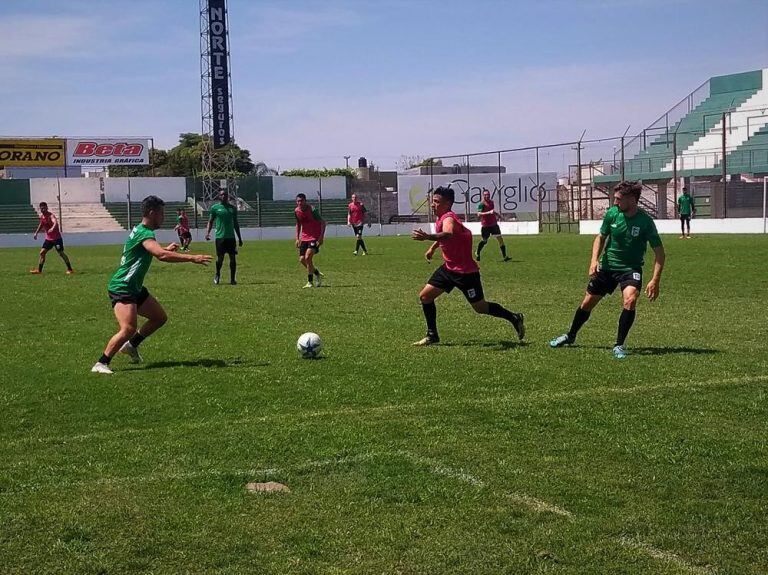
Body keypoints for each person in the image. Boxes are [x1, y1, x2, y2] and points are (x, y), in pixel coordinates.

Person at [91, 196, 211, 374]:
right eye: (161, 213)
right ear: (152, 213)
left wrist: (164, 249)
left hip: (134, 287)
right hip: (123, 287)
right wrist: (192, 258)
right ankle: (101, 363)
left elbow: (152, 250)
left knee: (159, 318)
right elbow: (160, 256)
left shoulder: (142, 231)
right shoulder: (144, 233)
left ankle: (131, 346)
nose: (163, 217)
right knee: (128, 328)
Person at [549, 181, 665, 359]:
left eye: (619, 199)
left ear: (632, 199)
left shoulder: (645, 222)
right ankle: (570, 335)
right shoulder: (612, 214)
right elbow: (600, 237)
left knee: (630, 300)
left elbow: (659, 253)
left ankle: (619, 345)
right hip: (608, 267)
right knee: (587, 303)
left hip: (630, 269)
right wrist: (594, 260)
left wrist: (654, 280)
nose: (615, 202)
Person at [411, 186, 525, 346]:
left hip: (465, 273)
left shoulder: (449, 218)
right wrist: (432, 248)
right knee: (425, 296)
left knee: (480, 307)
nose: (432, 204)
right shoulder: (441, 218)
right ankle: (432, 335)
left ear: (448, 203)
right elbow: (447, 237)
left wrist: (428, 237)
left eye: (437, 202)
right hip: (448, 269)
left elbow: (449, 233)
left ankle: (514, 317)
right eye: (433, 201)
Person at [205, 190, 242, 285]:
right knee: (220, 259)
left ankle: (233, 279)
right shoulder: (215, 208)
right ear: (219, 196)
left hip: (231, 237)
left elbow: (236, 223)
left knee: (233, 258)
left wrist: (240, 238)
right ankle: (217, 274)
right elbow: (210, 221)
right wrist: (207, 233)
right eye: (222, 195)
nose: (224, 196)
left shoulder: (232, 208)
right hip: (220, 237)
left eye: (226, 195)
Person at [30, 202, 74, 275]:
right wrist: (36, 233)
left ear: (47, 208)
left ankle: (70, 269)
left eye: (44, 208)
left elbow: (55, 222)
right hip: (48, 239)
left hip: (57, 239)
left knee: (61, 253)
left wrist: (52, 228)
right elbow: (41, 224)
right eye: (41, 208)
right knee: (42, 253)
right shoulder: (42, 217)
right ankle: (39, 270)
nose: (43, 209)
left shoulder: (51, 215)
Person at [295, 193, 327, 288]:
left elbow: (323, 223)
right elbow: (298, 224)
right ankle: (317, 273)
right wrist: (297, 238)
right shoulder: (296, 211)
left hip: (314, 237)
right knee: (302, 259)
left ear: (305, 201)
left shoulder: (312, 210)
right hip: (304, 237)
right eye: (298, 201)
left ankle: (310, 282)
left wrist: (321, 237)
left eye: (301, 201)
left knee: (308, 257)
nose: (299, 203)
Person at [475, 188, 510, 262]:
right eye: (485, 195)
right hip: (486, 226)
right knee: (484, 241)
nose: (487, 196)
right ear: (483, 196)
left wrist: (499, 216)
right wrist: (488, 212)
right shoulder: (481, 204)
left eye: (488, 195)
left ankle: (505, 256)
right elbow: (478, 214)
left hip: (493, 224)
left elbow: (492, 212)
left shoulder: (491, 202)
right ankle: (477, 252)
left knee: (500, 239)